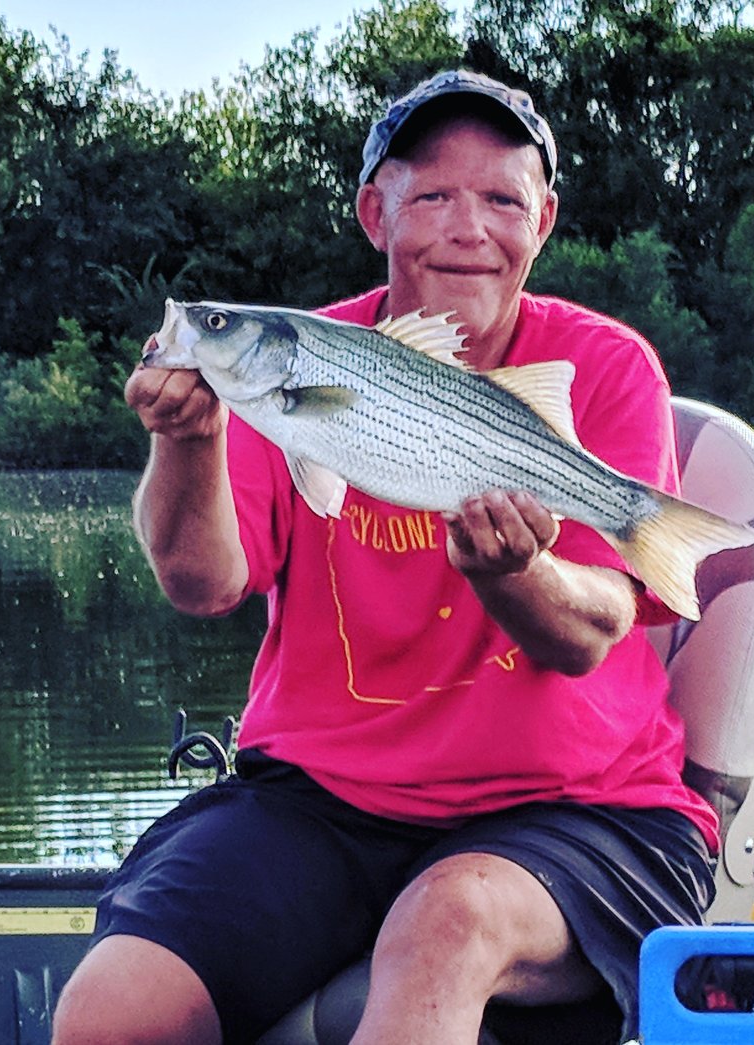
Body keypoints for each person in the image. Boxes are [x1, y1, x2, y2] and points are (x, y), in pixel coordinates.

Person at [53, 70, 716, 1045]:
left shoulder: (605, 365)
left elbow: (590, 633)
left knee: (445, 922)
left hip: (581, 811)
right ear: (375, 213)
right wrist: (189, 438)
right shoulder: (302, 360)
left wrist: (512, 571)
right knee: (112, 1011)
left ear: (542, 221)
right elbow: (201, 584)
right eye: (432, 195)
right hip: (323, 799)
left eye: (502, 200)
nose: (468, 228)